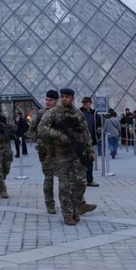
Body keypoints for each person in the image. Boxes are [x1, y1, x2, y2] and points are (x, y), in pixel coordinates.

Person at [38, 88, 97, 226]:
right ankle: (67, 214)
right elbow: (41, 128)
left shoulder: (78, 113)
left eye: (67, 97)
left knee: (81, 182)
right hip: (61, 153)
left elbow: (85, 132)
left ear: (72, 98)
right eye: (62, 96)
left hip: (77, 152)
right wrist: (59, 135)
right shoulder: (53, 113)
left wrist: (90, 150)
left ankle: (75, 208)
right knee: (64, 185)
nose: (64, 99)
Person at [28, 90, 59, 214]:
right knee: (49, 178)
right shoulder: (40, 114)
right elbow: (31, 131)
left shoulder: (61, 113)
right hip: (45, 151)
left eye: (50, 100)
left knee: (66, 178)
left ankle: (74, 202)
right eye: (46, 99)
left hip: (60, 150)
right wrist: (39, 141)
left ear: (56, 101)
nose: (47, 102)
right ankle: (50, 204)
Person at [79, 97, 99, 187]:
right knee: (79, 161)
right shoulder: (78, 112)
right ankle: (81, 180)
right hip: (80, 140)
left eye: (86, 102)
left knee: (90, 160)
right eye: (83, 102)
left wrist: (99, 131)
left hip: (91, 140)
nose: (84, 104)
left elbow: (99, 124)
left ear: (90, 103)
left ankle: (89, 180)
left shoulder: (95, 114)